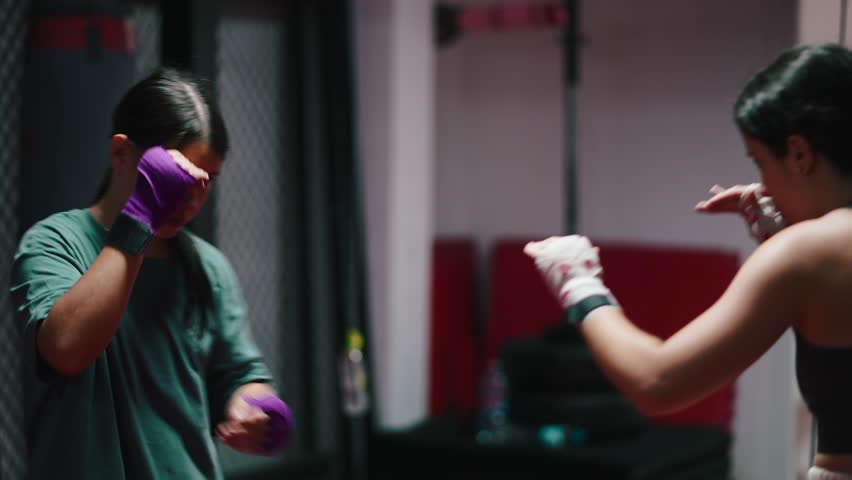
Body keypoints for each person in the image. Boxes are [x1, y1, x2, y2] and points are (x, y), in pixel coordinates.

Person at [524, 43, 852, 480]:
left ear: (799, 154)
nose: (762, 186)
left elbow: (657, 382)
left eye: (760, 163)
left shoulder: (809, 254)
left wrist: (577, 281)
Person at [10, 68, 293, 479]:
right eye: (178, 176)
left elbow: (241, 375)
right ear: (122, 154)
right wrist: (140, 215)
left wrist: (259, 410)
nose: (192, 198)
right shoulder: (55, 242)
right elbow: (66, 349)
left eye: (206, 180)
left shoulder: (207, 267)